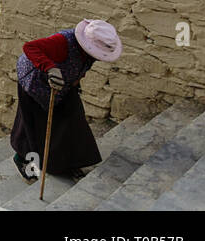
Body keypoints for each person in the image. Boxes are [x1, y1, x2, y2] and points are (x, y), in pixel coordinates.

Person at [10, 19, 122, 181]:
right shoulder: (62, 42)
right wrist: (50, 68)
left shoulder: (88, 53)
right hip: (35, 81)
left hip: (64, 85)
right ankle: (22, 159)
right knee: (34, 125)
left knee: (73, 120)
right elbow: (30, 47)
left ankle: (68, 163)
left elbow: (79, 66)